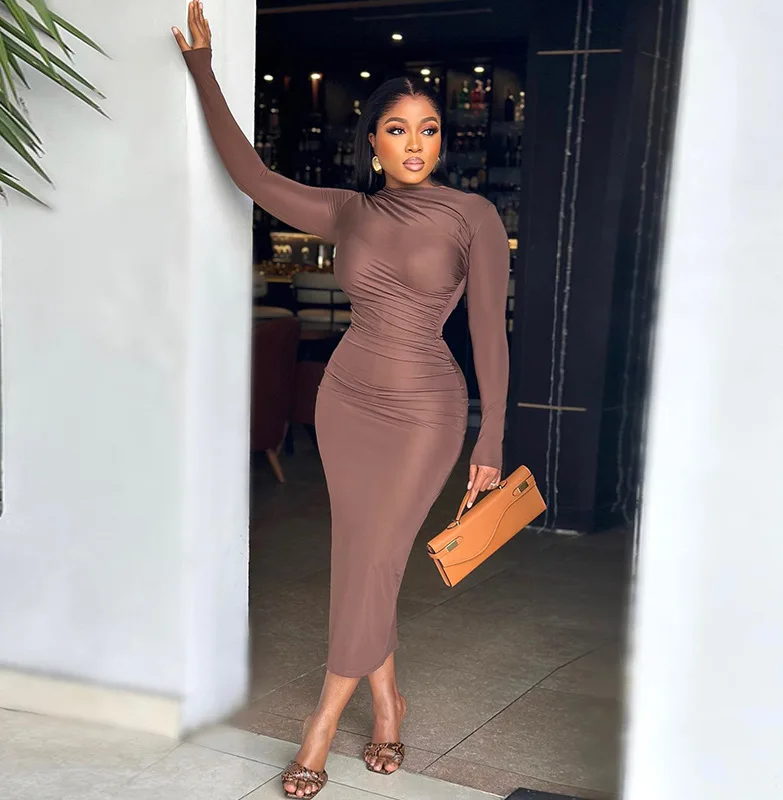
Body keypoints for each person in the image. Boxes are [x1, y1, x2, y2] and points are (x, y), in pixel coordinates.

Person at [173, 3, 509, 797]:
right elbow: (252, 177)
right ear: (373, 142)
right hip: (348, 400)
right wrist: (202, 71)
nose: (416, 144)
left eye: (429, 130)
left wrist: (491, 434)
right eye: (398, 130)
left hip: (426, 411)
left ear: (442, 140)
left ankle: (319, 726)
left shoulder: (474, 217)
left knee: (374, 561)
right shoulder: (347, 210)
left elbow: (489, 334)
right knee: (362, 561)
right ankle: (388, 705)